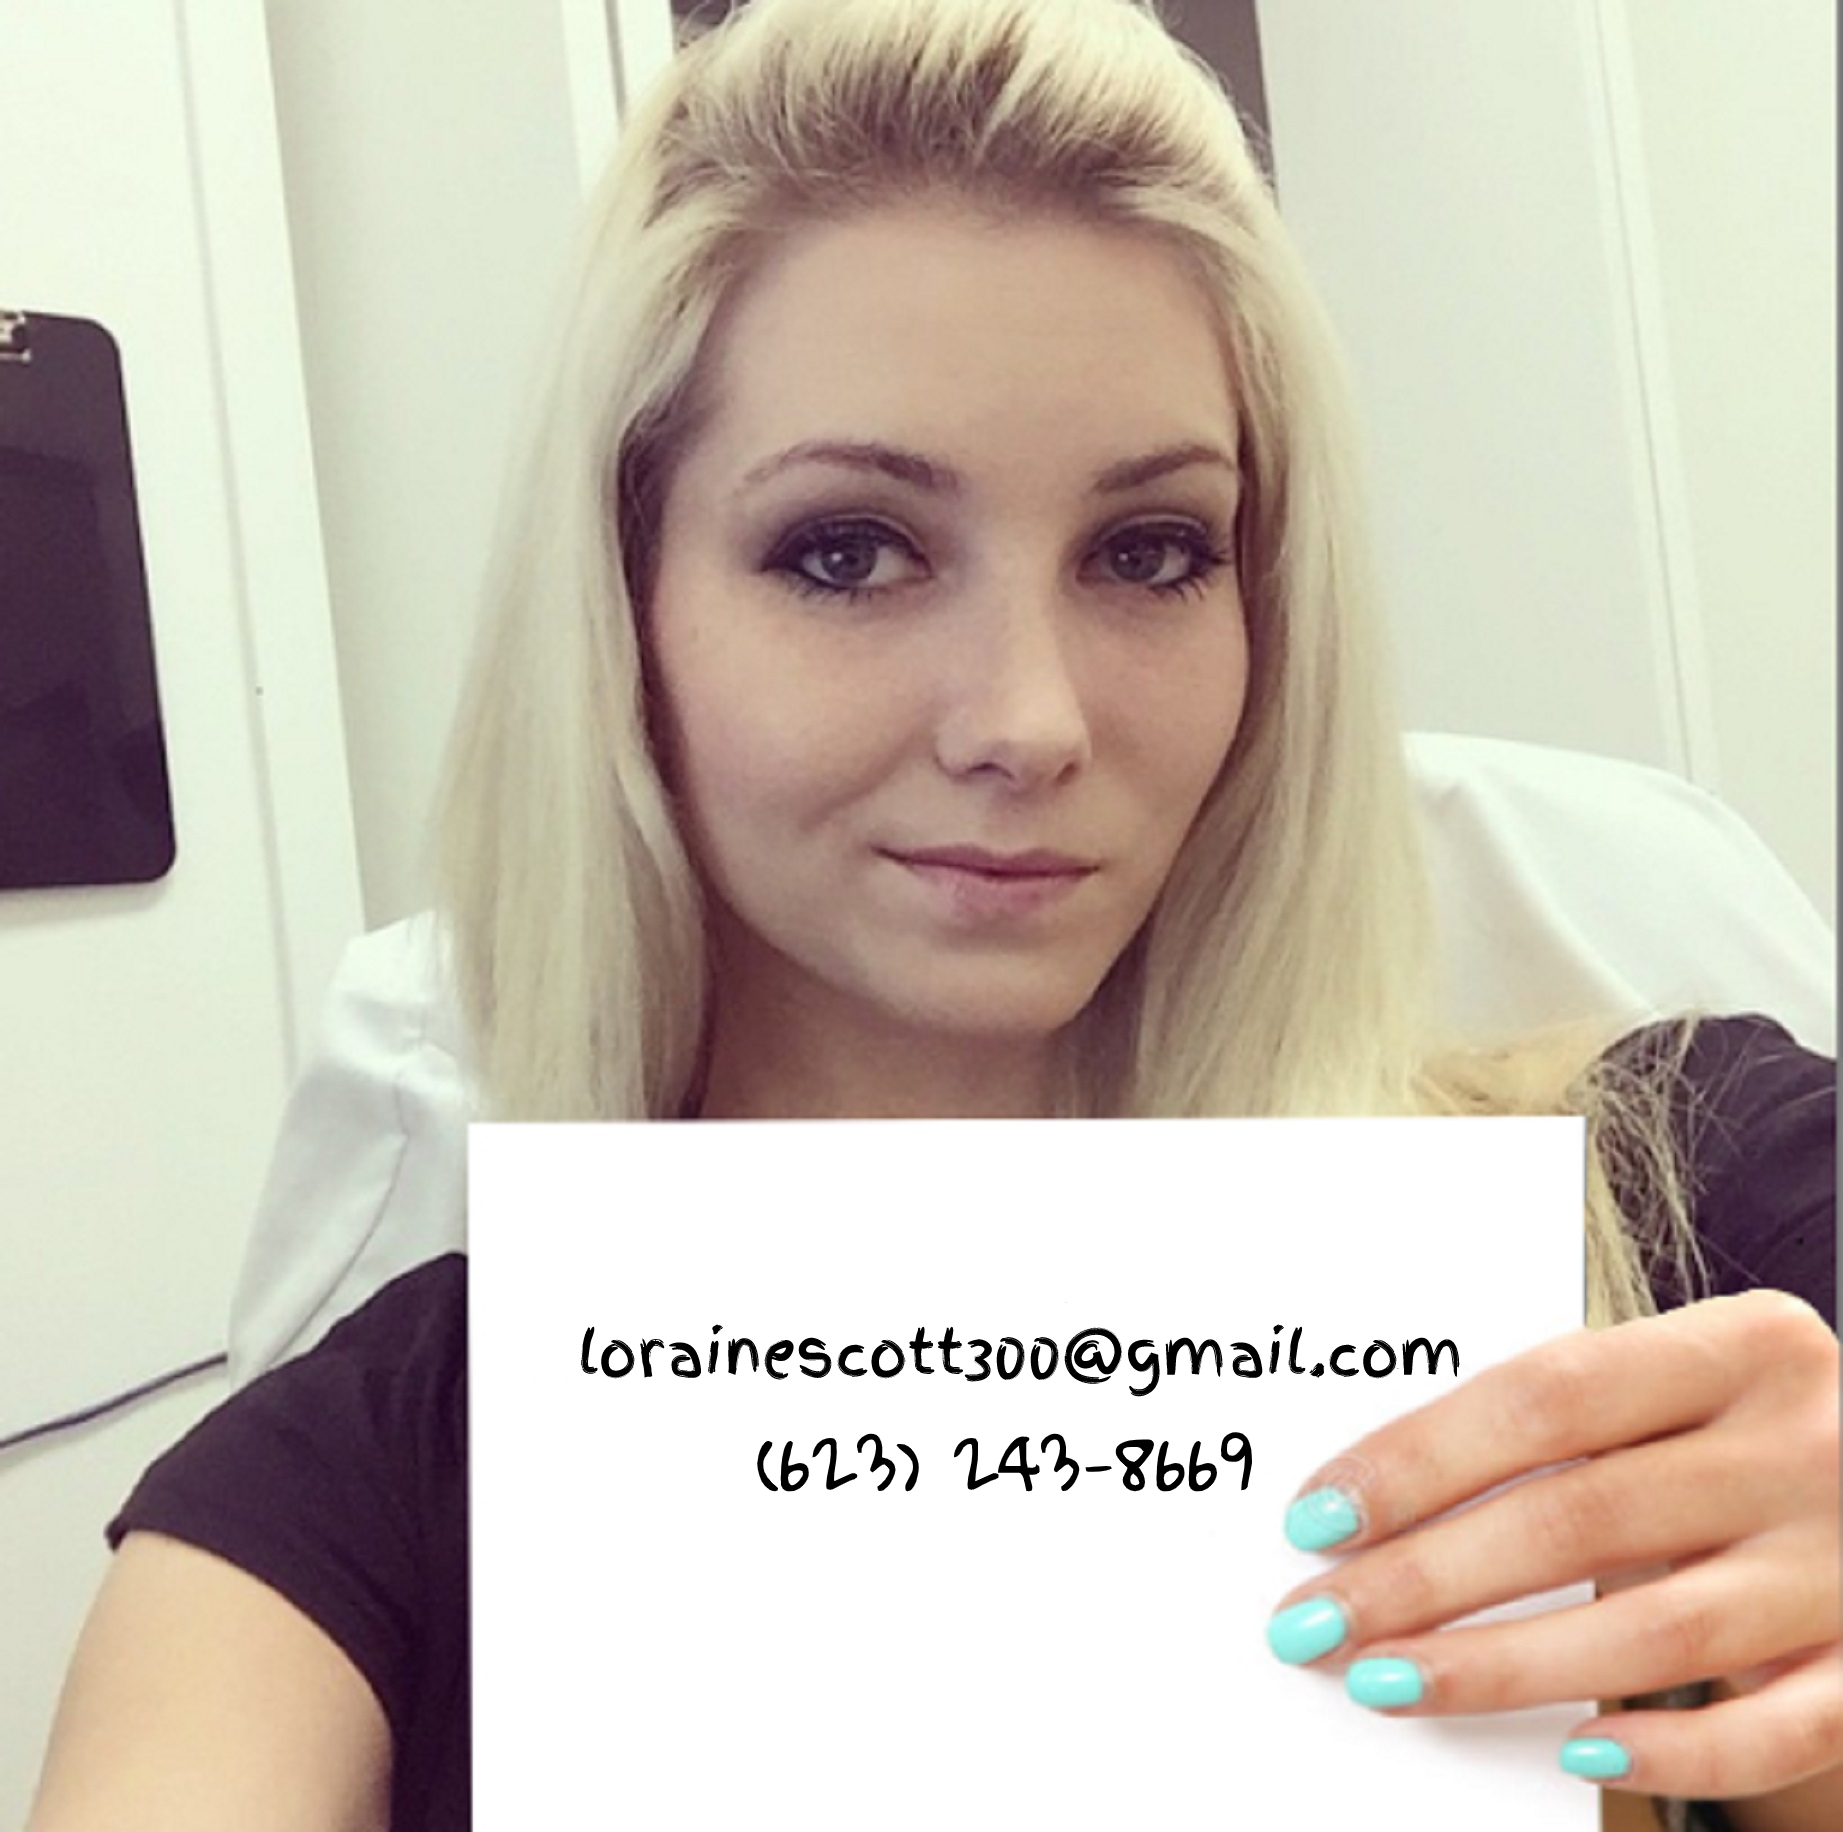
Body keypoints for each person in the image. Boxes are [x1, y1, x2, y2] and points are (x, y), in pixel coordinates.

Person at [28, 1, 1837, 1827]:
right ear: (624, 611)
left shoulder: (1694, 1216)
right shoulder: (353, 1497)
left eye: (1150, 552)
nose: (1029, 723)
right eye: (847, 551)